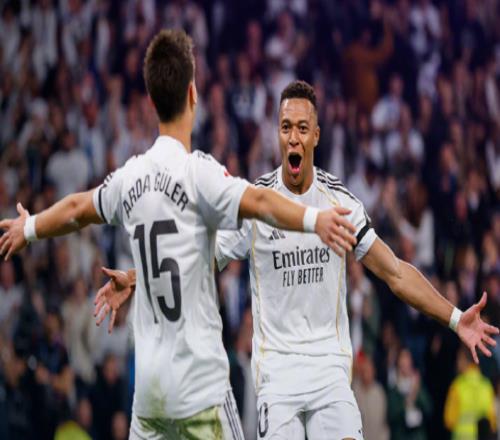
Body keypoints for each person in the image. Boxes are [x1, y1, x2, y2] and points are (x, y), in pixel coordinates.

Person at [0, 31, 357, 440]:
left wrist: (29, 227)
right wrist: (315, 219)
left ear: (151, 102)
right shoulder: (198, 173)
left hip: (150, 395)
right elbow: (260, 201)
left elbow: (77, 209)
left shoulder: (130, 176)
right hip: (200, 390)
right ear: (193, 93)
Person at [95, 80, 499, 440]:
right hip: (278, 380)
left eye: (302, 128)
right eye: (286, 127)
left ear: (316, 136)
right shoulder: (256, 205)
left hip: (330, 374)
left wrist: (454, 318)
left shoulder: (339, 203)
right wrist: (136, 277)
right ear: (278, 133)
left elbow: (394, 271)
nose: (293, 137)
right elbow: (198, 261)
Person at [444, 346, 497, 440]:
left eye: (458, 359)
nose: (456, 363)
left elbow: (449, 420)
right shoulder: (486, 385)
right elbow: (492, 422)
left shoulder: (457, 386)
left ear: (464, 360)